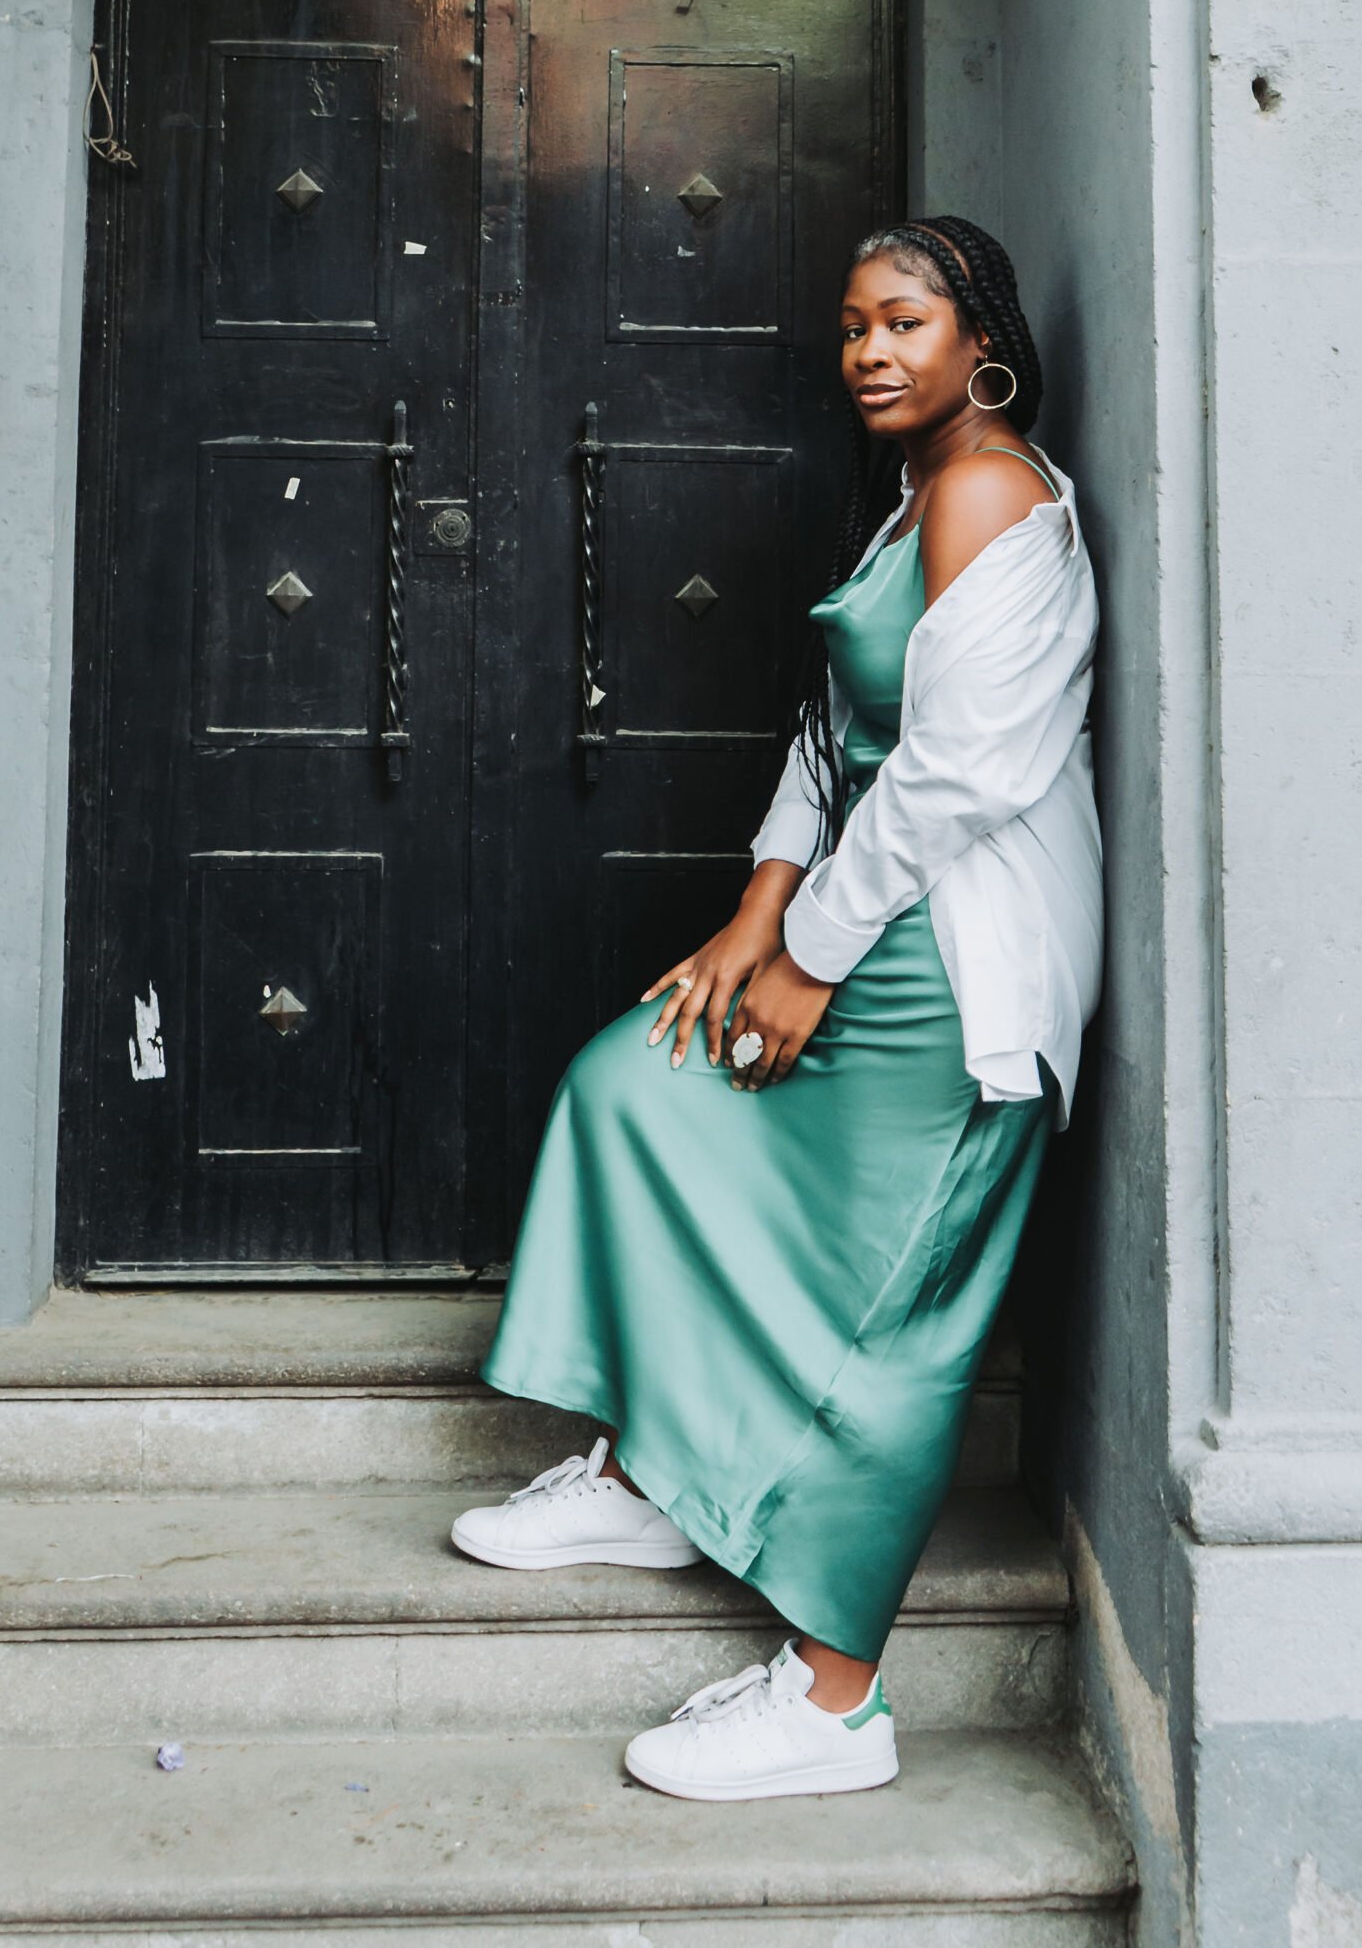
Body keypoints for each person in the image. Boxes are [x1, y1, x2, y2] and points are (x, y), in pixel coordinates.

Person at [451, 214, 1103, 1803]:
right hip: (861, 914)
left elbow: (958, 771)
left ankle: (833, 1707)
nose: (870, 352)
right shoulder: (907, 507)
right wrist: (755, 917)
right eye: (851, 328)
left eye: (902, 324)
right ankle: (656, 1474)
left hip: (952, 965)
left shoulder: (993, 490)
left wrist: (808, 951)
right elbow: (835, 736)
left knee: (886, 1323)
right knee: (638, 1085)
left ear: (979, 342)